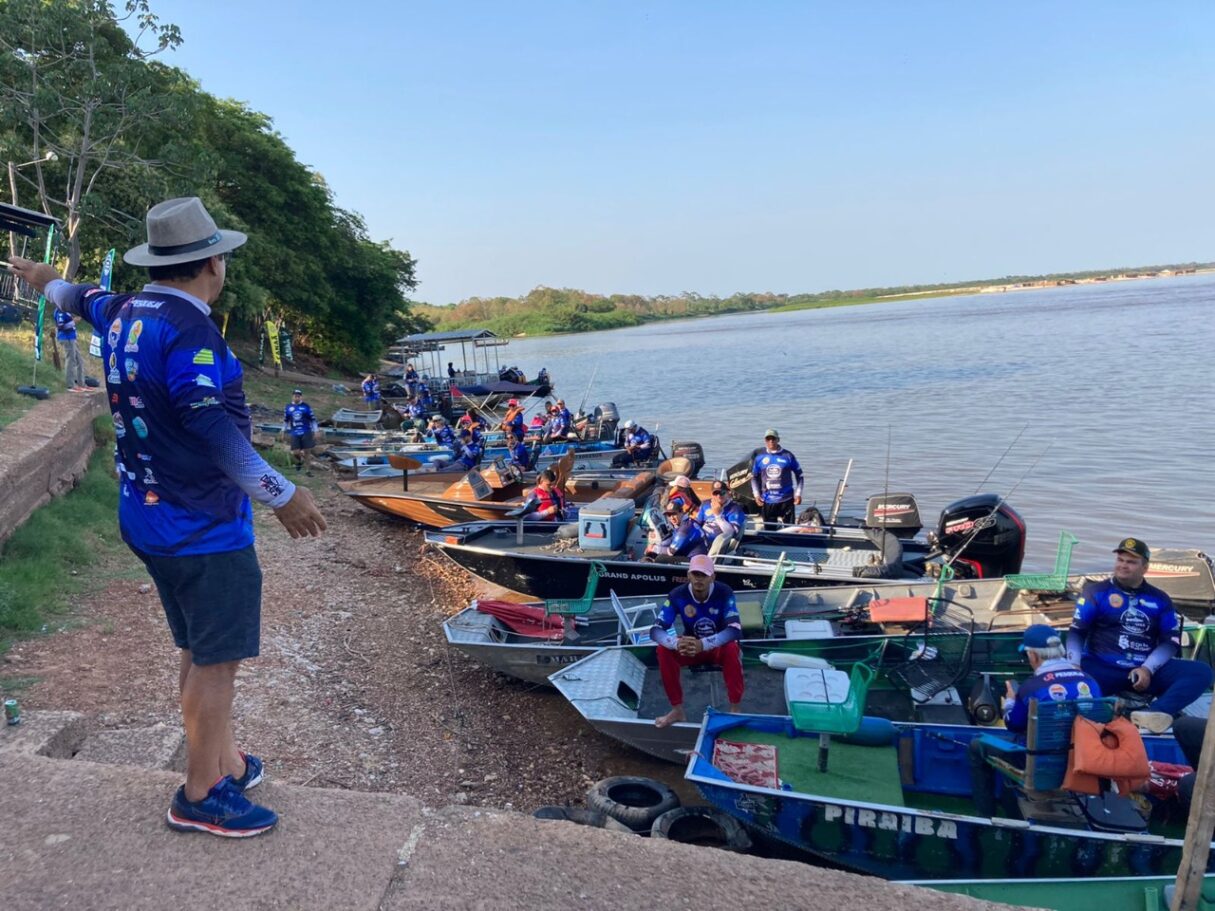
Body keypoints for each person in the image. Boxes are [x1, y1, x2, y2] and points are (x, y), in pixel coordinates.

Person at [8, 196, 325, 838]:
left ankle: (225, 760)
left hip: (145, 517)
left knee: (197, 645)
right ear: (213, 262)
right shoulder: (191, 332)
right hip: (202, 528)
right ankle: (200, 793)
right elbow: (211, 426)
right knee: (217, 660)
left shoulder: (126, 310)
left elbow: (71, 293)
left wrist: (30, 272)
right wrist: (281, 492)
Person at [1066, 538, 1214, 732]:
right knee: (1067, 680)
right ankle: (1093, 717)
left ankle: (1152, 714)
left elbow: (1171, 641)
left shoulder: (1160, 599)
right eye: (1120, 560)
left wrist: (1148, 669)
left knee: (1201, 672)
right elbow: (1077, 632)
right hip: (1103, 666)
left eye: (1131, 562)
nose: (1123, 565)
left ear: (1145, 567)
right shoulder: (1095, 592)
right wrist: (1074, 666)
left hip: (1144, 671)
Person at [968, 624, 1102, 818]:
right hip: (1082, 761)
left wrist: (1011, 701)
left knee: (975, 746)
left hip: (1038, 761)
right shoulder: (1090, 681)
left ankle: (985, 815)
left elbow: (1013, 724)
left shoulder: (1032, 688)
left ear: (1033, 655)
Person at [650, 555, 744, 728]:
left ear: (713, 577)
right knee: (663, 649)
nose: (699, 579)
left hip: (716, 647)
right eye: (695, 574)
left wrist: (704, 644)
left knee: (732, 647)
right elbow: (655, 630)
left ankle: (735, 708)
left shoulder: (724, 592)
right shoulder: (678, 595)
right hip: (690, 648)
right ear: (688, 575)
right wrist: (676, 643)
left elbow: (735, 629)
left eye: (704, 574)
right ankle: (677, 710)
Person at [750, 428, 803, 528]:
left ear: (778, 439)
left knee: (789, 530)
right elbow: (754, 478)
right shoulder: (760, 458)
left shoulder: (788, 456)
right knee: (769, 531)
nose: (771, 441)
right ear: (765, 440)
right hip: (768, 500)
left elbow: (800, 475)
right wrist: (756, 495)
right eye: (768, 439)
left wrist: (798, 494)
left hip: (786, 499)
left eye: (773, 439)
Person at [697, 480, 748, 557]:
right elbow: (697, 524)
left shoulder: (735, 509)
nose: (718, 496)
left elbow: (732, 533)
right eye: (715, 493)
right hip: (701, 541)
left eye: (722, 493)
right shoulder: (705, 504)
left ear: (728, 493)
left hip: (716, 546)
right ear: (711, 494)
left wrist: (718, 516)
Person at [282, 389, 317, 474]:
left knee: (307, 452)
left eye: (298, 396)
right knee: (295, 452)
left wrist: (316, 431)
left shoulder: (306, 406)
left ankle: (308, 470)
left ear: (301, 397)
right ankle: (300, 460)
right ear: (292, 396)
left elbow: (313, 420)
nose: (297, 397)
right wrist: (283, 431)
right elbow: (286, 420)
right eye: (295, 396)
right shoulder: (288, 407)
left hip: (306, 431)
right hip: (294, 431)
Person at [54, 306, 87, 391]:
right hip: (66, 338)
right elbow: (60, 327)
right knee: (71, 360)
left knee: (80, 360)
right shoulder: (60, 312)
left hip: (72, 337)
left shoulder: (67, 311)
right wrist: (73, 322)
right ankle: (70, 384)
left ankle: (81, 383)